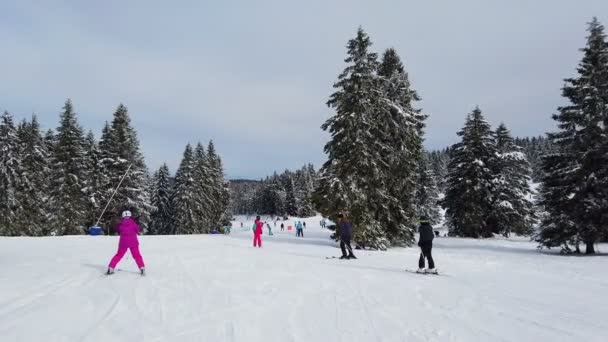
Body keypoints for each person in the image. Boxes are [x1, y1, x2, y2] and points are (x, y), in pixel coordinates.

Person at [107, 210, 146, 276]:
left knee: (118, 255)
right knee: (137, 255)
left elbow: (119, 231)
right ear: (130, 215)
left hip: (123, 243)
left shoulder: (120, 224)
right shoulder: (133, 223)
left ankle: (111, 267)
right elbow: (137, 230)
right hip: (133, 242)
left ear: (123, 216)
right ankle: (141, 268)